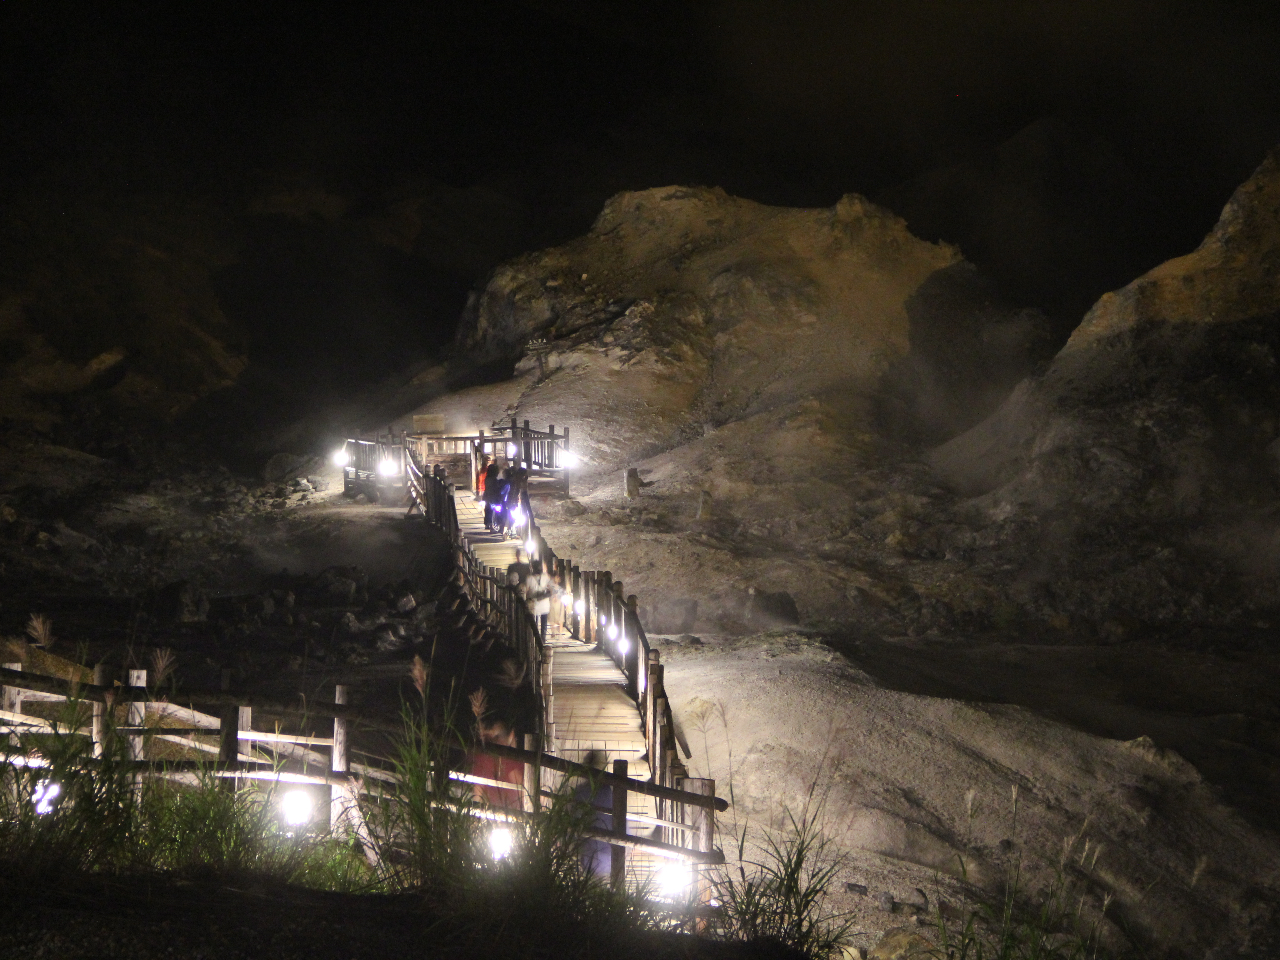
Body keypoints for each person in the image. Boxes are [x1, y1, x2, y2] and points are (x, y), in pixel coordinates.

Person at [467, 717, 522, 810]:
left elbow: (524, 791)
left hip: (511, 814)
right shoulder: (481, 761)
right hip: (494, 815)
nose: (494, 743)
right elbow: (478, 793)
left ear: (510, 736)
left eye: (497, 737)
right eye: (488, 739)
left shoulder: (510, 761)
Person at [573, 750, 613, 877]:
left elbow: (573, 821)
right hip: (607, 856)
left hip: (587, 855)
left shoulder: (579, 793)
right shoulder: (609, 793)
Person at [526, 559, 554, 641]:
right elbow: (551, 588)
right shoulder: (546, 577)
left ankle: (536, 638)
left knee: (535, 622)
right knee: (543, 622)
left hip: (535, 603)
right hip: (543, 603)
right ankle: (543, 638)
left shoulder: (529, 578)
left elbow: (527, 591)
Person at [482, 458, 504, 531]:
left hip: (487, 496)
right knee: (495, 511)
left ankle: (488, 524)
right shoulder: (493, 480)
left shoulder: (487, 478)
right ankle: (493, 526)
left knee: (488, 510)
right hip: (493, 497)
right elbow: (495, 488)